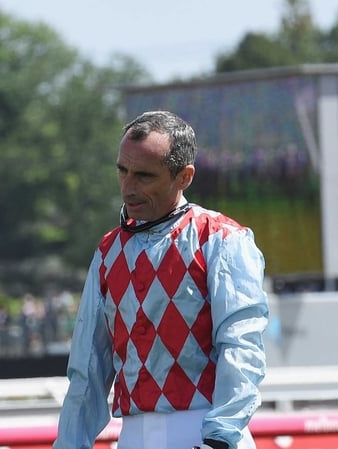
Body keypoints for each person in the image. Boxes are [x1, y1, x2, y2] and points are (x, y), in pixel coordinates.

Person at [53, 110, 268, 449]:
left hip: (205, 432)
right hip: (134, 437)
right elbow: (87, 368)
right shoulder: (108, 250)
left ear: (184, 177)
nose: (128, 186)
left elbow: (241, 346)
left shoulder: (222, 239)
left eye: (144, 176)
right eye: (122, 171)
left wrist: (221, 437)